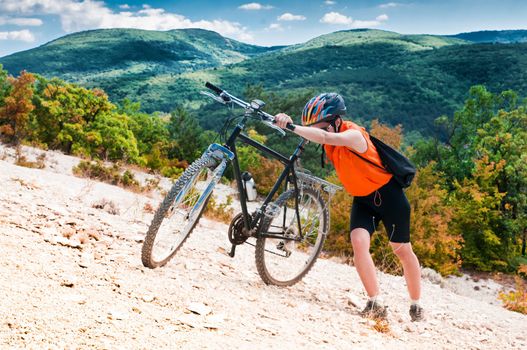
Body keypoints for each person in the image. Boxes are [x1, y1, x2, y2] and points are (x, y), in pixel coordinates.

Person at [275, 93, 424, 322]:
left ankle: (416, 304)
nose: (318, 129)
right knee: (358, 242)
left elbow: (323, 135)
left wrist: (294, 127)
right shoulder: (328, 135)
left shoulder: (354, 135)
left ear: (336, 120)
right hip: (363, 199)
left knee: (402, 250)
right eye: (313, 126)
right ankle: (375, 303)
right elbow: (315, 134)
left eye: (321, 124)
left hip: (390, 196)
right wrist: (284, 120)